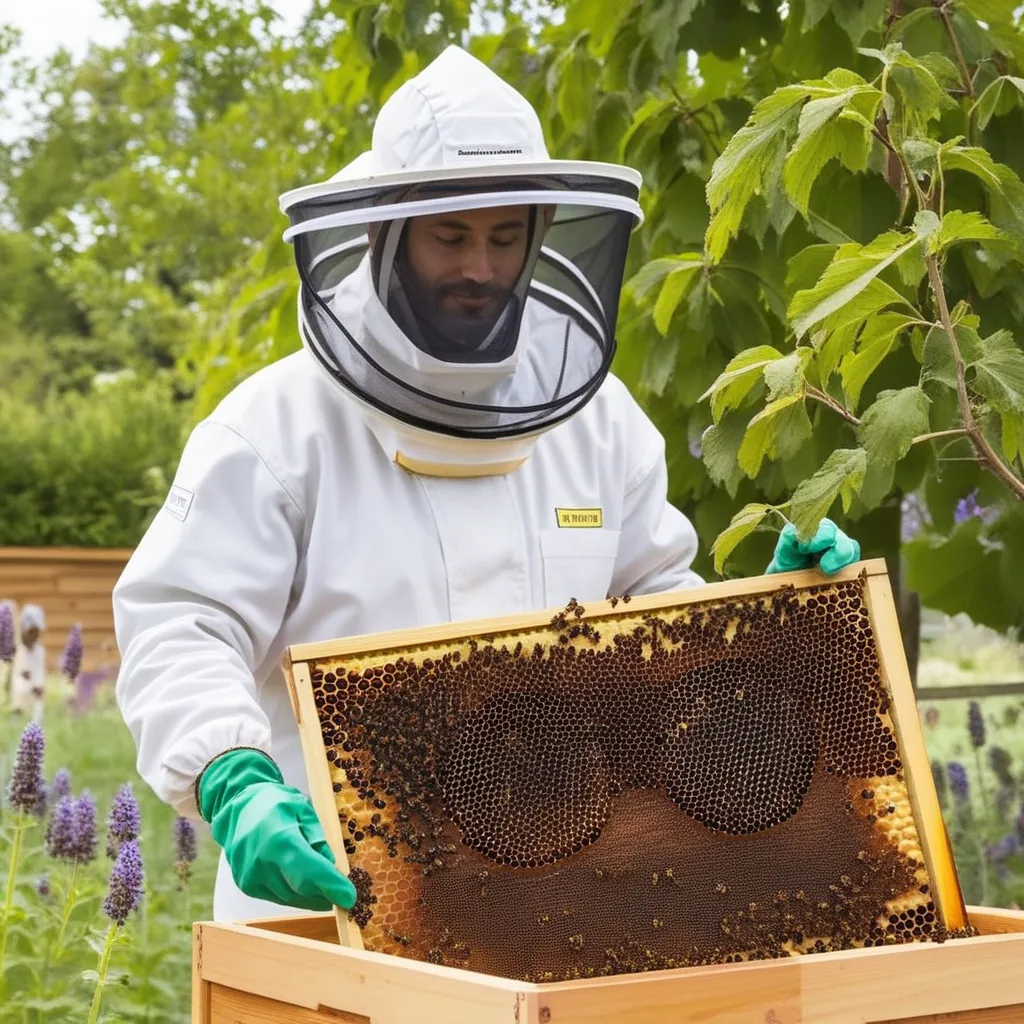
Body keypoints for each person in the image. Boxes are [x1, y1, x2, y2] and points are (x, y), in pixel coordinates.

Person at [112, 46, 859, 923]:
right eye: (452, 235)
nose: (479, 266)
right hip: (328, 903)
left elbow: (651, 611)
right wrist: (233, 778)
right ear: (387, 229)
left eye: (506, 237)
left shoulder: (600, 421)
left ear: (540, 236)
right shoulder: (276, 428)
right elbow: (179, 623)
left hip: (569, 903)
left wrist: (763, 618)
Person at [11, 605, 47, 723]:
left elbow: (39, 673)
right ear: (23, 629)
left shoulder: (39, 651)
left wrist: (39, 685)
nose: (34, 635)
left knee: (37, 706)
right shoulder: (15, 649)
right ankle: (16, 714)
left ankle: (35, 721)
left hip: (33, 693)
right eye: (31, 631)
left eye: (37, 631)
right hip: (16, 695)